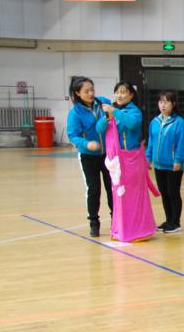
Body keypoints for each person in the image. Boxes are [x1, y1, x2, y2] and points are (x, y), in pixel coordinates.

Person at [97, 81, 159, 242]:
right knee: (119, 196)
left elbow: (132, 124)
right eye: (117, 92)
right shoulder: (113, 111)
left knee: (133, 196)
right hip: (117, 161)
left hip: (132, 159)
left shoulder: (134, 111)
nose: (119, 95)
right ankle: (121, 229)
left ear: (131, 95)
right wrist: (106, 118)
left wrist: (114, 112)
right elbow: (99, 129)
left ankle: (140, 230)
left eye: (123, 92)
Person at [67, 77, 113, 237]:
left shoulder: (103, 103)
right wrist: (87, 144)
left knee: (112, 188)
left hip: (108, 154)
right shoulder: (75, 113)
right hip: (89, 156)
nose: (91, 93)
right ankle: (94, 222)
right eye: (86, 91)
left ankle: (116, 219)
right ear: (77, 93)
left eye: (92, 89)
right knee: (94, 189)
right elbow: (73, 136)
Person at [146, 91, 184, 234]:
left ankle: (175, 222)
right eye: (160, 102)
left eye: (166, 102)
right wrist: (148, 158)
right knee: (164, 193)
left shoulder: (179, 123)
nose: (163, 105)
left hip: (173, 166)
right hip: (159, 165)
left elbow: (183, 144)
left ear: (173, 104)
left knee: (173, 193)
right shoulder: (154, 122)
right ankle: (168, 220)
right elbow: (151, 142)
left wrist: (178, 160)